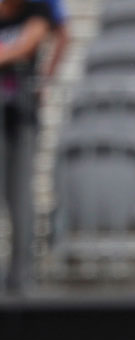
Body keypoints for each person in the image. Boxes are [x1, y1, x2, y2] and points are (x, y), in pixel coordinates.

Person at [0, 0, 51, 295]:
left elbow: (28, 44)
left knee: (20, 199)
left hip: (19, 118)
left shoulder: (37, 10)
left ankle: (21, 276)